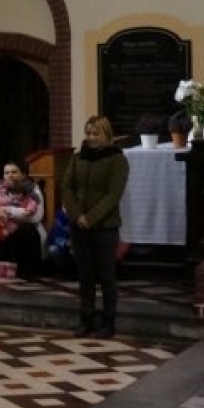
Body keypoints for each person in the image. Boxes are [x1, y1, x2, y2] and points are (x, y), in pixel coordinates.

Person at [61, 116, 129, 338]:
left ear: (106, 135)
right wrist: (77, 215)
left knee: (106, 275)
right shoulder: (78, 158)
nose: (91, 137)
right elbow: (67, 186)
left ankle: (108, 322)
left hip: (104, 226)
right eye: (88, 132)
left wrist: (91, 218)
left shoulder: (116, 159)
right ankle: (86, 318)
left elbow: (113, 194)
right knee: (85, 275)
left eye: (95, 133)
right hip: (79, 224)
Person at [0, 162, 46, 278]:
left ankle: (20, 267)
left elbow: (36, 217)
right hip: (3, 225)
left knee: (20, 231)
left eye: (14, 172)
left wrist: (8, 211)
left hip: (26, 228)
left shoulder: (32, 190)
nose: (10, 175)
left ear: (23, 175)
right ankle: (0, 264)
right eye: (7, 173)